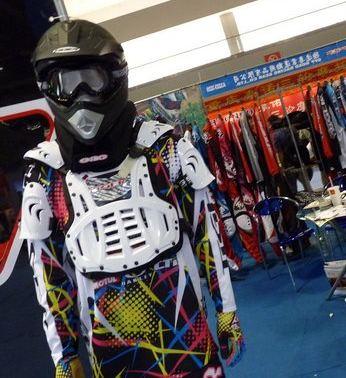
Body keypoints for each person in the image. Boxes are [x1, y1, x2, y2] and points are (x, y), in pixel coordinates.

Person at [20, 19, 245, 377]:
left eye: (91, 79)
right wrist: (64, 355)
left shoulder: (166, 149)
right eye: (66, 84)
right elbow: (49, 277)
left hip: (187, 340)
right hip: (111, 355)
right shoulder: (46, 173)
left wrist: (226, 310)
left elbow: (207, 235)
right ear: (49, 88)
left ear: (114, 77)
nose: (81, 96)